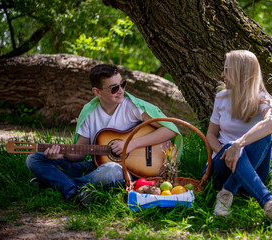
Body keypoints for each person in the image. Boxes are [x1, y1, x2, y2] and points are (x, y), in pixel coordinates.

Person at [26, 64, 180, 206]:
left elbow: (169, 130)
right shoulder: (89, 113)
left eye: (123, 84)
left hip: (126, 171)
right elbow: (79, 153)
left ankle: (58, 184)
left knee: (112, 170)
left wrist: (131, 144)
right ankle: (75, 190)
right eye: (114, 88)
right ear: (97, 92)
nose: (121, 90)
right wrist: (62, 154)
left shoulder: (132, 107)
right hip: (95, 166)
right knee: (34, 158)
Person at [203, 50, 272, 231]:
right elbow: (210, 135)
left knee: (264, 136)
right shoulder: (221, 97)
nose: (222, 75)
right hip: (221, 168)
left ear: (240, 74)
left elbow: (271, 122)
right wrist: (227, 151)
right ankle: (271, 206)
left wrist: (239, 144)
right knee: (231, 146)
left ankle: (227, 192)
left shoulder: (263, 99)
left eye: (227, 70)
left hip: (253, 173)